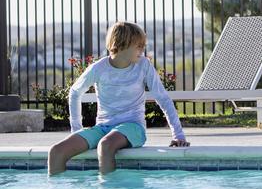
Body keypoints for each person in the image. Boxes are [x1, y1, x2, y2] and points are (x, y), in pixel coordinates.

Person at [48, 22, 189, 175]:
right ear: (122, 44)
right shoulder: (99, 68)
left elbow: (163, 98)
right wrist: (76, 130)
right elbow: (75, 92)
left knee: (106, 145)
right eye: (139, 45)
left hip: (133, 127)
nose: (142, 50)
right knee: (56, 152)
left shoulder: (143, 65)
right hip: (102, 128)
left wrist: (178, 135)